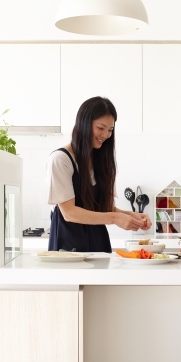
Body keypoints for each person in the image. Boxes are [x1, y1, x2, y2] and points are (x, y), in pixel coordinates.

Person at [46, 96, 152, 253]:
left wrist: (132, 216)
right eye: (100, 128)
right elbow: (69, 213)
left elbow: (104, 207)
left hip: (97, 240)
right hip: (69, 245)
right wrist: (115, 219)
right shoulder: (61, 159)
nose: (106, 135)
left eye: (110, 130)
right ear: (84, 124)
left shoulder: (102, 160)